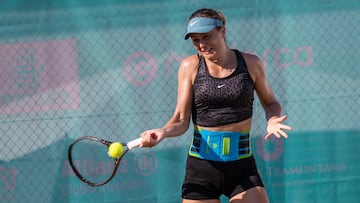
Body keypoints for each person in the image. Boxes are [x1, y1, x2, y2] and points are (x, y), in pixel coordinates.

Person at [139, 8, 292, 203]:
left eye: (207, 36)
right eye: (195, 40)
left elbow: (271, 102)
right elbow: (180, 119)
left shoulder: (251, 63)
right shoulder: (189, 66)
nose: (202, 44)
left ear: (223, 31)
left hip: (242, 167)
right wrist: (162, 132)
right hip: (201, 168)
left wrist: (272, 120)